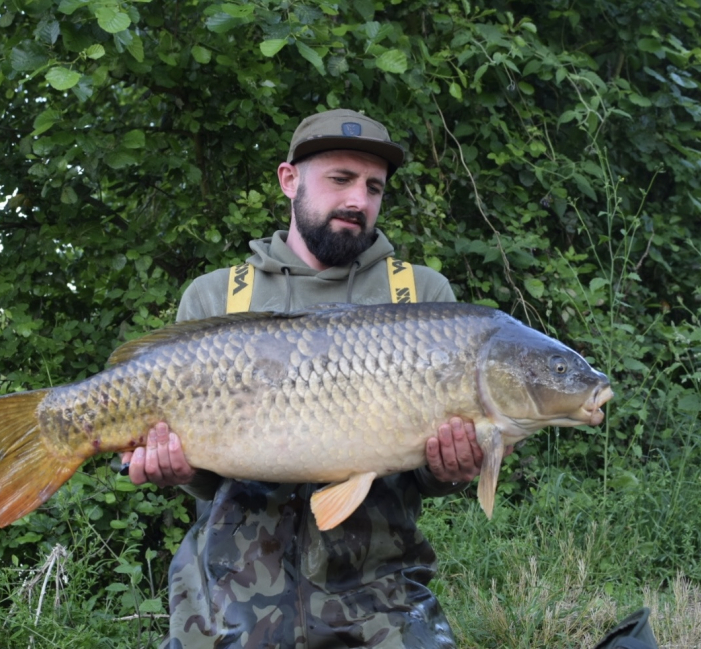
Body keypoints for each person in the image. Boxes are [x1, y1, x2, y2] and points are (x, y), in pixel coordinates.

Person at [121, 109, 495, 648]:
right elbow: (205, 481)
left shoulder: (421, 297)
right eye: (340, 179)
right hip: (231, 599)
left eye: (373, 187)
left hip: (380, 597)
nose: (358, 200)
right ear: (289, 179)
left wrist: (451, 469)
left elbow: (426, 478)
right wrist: (177, 470)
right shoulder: (218, 297)